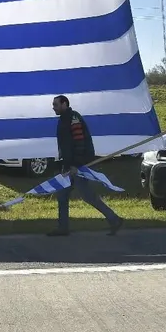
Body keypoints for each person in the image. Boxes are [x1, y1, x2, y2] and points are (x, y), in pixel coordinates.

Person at [48, 95, 123, 237]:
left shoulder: (73, 118)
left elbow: (79, 142)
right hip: (69, 165)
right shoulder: (63, 119)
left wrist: (76, 165)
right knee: (62, 195)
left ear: (64, 104)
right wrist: (64, 163)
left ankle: (114, 219)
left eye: (56, 104)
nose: (53, 107)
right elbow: (65, 145)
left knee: (88, 196)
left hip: (79, 166)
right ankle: (63, 228)